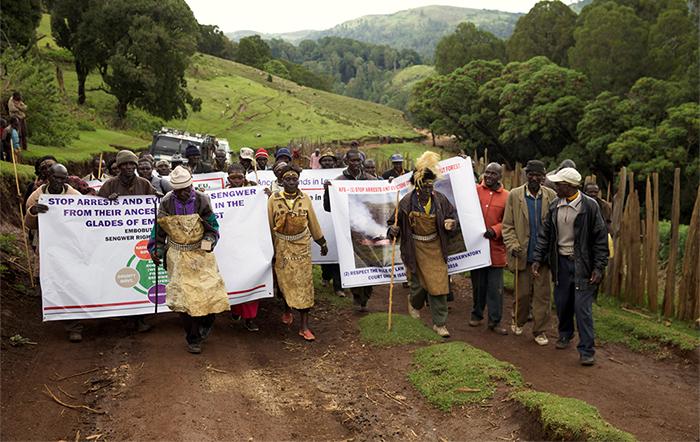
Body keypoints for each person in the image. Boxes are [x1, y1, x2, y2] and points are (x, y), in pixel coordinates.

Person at [532, 167, 608, 366]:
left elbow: (601, 240)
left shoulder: (590, 207)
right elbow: (545, 234)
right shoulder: (555, 205)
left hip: (582, 265)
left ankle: (586, 350)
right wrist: (538, 259)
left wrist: (598, 268)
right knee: (563, 302)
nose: (555, 187)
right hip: (561, 263)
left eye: (559, 184)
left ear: (569, 186)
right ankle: (565, 334)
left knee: (582, 308)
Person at [149, 166, 230, 354]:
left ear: (192, 185)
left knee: (209, 292)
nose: (184, 193)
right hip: (177, 255)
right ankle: (192, 337)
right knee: (183, 299)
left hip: (200, 254)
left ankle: (207, 322)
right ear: (173, 189)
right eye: (179, 190)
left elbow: (212, 228)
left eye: (187, 189)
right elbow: (159, 231)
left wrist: (209, 241)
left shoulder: (202, 199)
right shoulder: (167, 203)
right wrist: (156, 250)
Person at [388, 152, 457, 337]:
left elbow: (452, 215)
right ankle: (414, 302)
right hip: (415, 248)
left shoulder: (440, 200)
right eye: (426, 186)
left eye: (431, 185)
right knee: (419, 285)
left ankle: (440, 323)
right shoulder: (406, 202)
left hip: (435, 246)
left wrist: (451, 223)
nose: (429, 189)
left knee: (439, 285)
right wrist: (393, 231)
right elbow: (392, 223)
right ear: (418, 185)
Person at [98, 151, 156, 333]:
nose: (129, 168)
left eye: (132, 164)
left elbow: (154, 204)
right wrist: (108, 202)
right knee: (120, 276)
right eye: (125, 165)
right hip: (116, 240)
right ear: (119, 167)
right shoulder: (109, 185)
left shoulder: (144, 184)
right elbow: (96, 210)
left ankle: (140, 317)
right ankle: (124, 315)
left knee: (140, 275)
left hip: (139, 239)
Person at [269, 164, 328, 340]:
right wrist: (270, 250)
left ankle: (304, 326)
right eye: (288, 179)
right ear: (282, 181)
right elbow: (269, 225)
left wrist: (322, 242)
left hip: (302, 246)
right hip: (281, 245)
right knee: (285, 281)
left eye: (294, 179)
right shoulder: (274, 199)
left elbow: (313, 222)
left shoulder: (305, 199)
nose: (292, 182)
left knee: (304, 283)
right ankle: (287, 309)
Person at [502, 160, 556, 345]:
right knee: (523, 294)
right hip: (522, 254)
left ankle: (540, 331)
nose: (534, 178)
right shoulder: (514, 195)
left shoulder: (552, 196)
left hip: (543, 257)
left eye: (538, 175)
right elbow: (507, 226)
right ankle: (518, 320)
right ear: (526, 175)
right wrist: (513, 245)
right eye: (531, 174)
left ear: (544, 176)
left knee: (543, 296)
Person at [25, 164, 82, 340]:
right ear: (48, 177)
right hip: (47, 247)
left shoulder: (74, 196)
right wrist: (34, 212)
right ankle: (55, 312)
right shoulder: (37, 196)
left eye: (63, 178)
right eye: (56, 177)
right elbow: (29, 224)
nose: (59, 181)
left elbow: (85, 218)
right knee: (52, 282)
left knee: (71, 283)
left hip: (70, 247)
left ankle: (75, 326)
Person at [324, 150, 377, 311]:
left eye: (358, 160)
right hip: (348, 230)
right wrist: (327, 191)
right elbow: (328, 208)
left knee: (370, 262)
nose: (356, 163)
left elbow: (381, 198)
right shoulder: (338, 181)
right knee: (353, 263)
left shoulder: (371, 180)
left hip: (367, 228)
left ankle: (366, 296)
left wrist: (387, 184)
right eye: (352, 160)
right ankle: (357, 295)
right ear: (346, 161)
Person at [470, 162, 509, 335]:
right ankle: (477, 315)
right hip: (476, 248)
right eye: (487, 172)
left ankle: (495, 320)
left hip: (495, 248)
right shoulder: (475, 190)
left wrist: (495, 230)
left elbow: (508, 221)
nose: (489, 176)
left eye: (493, 174)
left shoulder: (507, 197)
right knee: (478, 285)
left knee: (495, 288)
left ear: (500, 177)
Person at [225, 164, 261, 331]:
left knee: (251, 277)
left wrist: (266, 195)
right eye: (233, 178)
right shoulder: (220, 195)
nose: (237, 181)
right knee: (233, 278)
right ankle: (235, 308)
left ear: (245, 177)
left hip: (251, 241)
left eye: (240, 177)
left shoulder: (255, 191)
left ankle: (250, 318)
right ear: (228, 179)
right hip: (231, 243)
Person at [317, 148, 344, 297]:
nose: (327, 163)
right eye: (325, 160)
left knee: (339, 253)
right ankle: (326, 276)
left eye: (330, 160)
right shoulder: (313, 175)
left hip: (339, 221)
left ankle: (338, 286)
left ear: (335, 162)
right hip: (323, 219)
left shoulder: (342, 177)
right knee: (326, 250)